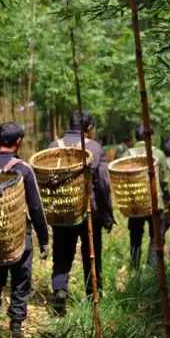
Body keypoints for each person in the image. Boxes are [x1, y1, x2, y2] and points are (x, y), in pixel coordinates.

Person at [0, 122, 49, 338]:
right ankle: (16, 325)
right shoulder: (23, 169)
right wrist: (44, 239)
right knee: (20, 281)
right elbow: (36, 207)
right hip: (18, 237)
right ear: (18, 142)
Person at [48, 110, 113, 313]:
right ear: (89, 128)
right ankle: (93, 295)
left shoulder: (53, 147)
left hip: (62, 212)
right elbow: (102, 183)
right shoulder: (94, 147)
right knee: (91, 254)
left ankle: (60, 290)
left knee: (61, 254)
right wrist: (107, 213)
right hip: (89, 212)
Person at [125, 124, 170, 270]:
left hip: (135, 204)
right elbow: (165, 182)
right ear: (150, 137)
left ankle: (134, 267)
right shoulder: (158, 154)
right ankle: (152, 270)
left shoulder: (128, 154)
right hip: (155, 203)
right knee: (156, 238)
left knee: (135, 236)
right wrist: (169, 198)